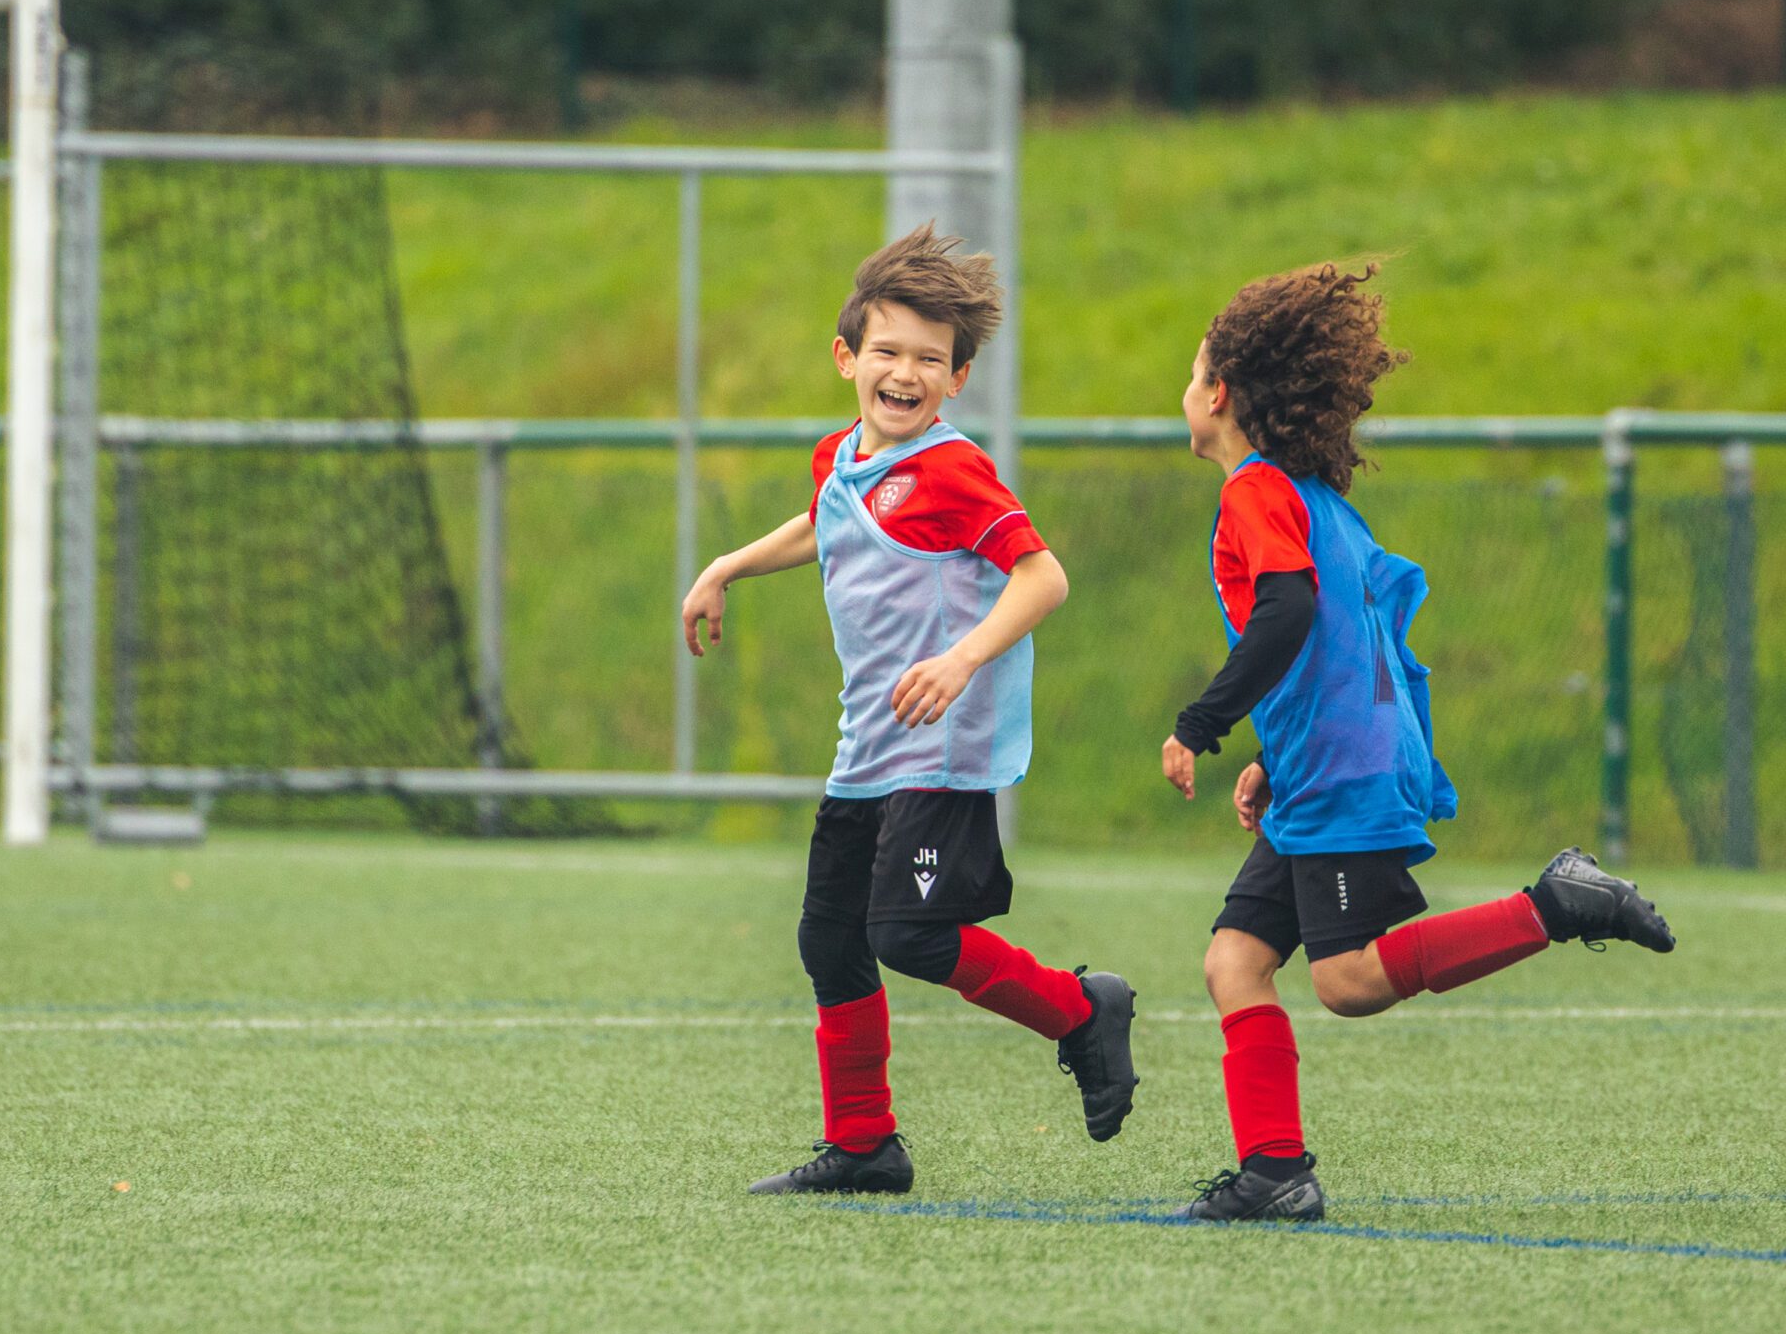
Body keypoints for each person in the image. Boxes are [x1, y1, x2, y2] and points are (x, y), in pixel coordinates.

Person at [1159, 262, 1675, 1223]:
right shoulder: (1316, 500)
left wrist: (1205, 723)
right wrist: (1279, 750)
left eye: (1191, 376)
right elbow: (1345, 642)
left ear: (1219, 396)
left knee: (1350, 981)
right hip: (1334, 760)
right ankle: (1276, 1174)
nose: (1184, 394)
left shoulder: (1256, 494)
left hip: (1346, 771)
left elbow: (1289, 611)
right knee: (1236, 960)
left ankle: (1554, 905)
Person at [682, 224, 1137, 1197]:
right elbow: (827, 521)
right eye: (887, 350)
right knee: (827, 936)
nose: (904, 371)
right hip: (866, 748)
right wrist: (727, 566)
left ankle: (1081, 1010)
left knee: (912, 935)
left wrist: (963, 657)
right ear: (846, 356)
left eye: (929, 358)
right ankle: (864, 1146)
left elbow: (1042, 574)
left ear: (955, 378)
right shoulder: (840, 457)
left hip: (939, 747)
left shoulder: (950, 468)